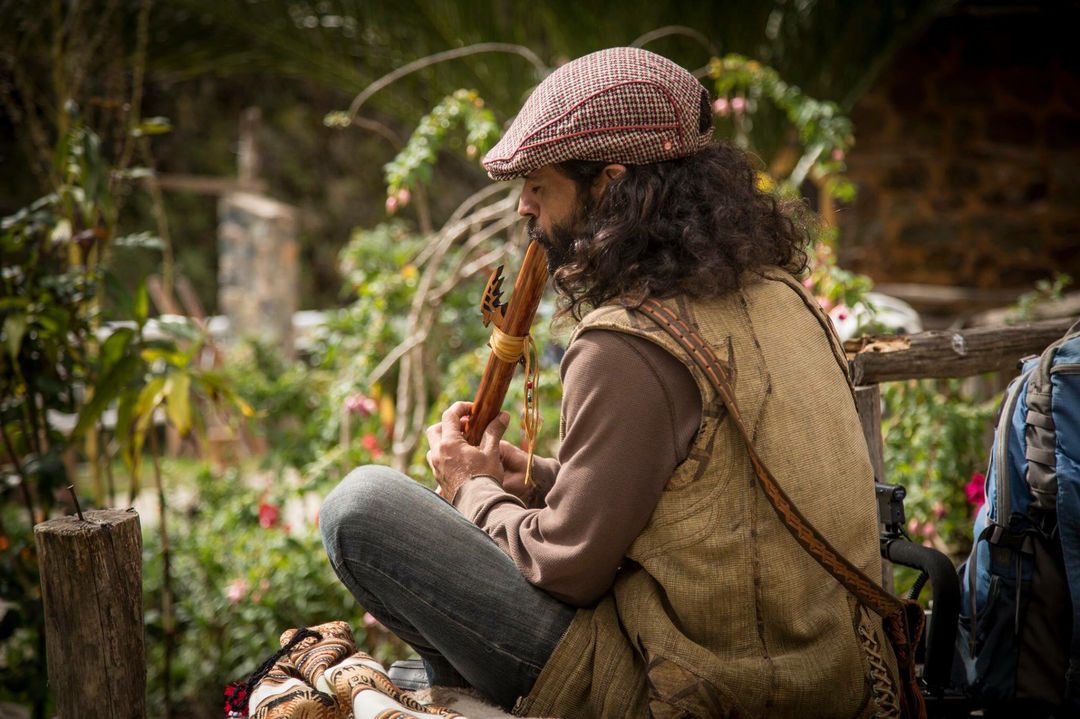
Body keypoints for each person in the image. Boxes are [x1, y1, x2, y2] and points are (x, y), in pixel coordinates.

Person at [320, 46, 900, 718]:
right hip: (835, 676)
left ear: (609, 185)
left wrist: (469, 486)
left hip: (696, 690)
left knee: (361, 507)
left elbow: (569, 568)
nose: (523, 206)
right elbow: (693, 496)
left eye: (539, 185)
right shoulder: (785, 296)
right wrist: (528, 476)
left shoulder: (627, 344)